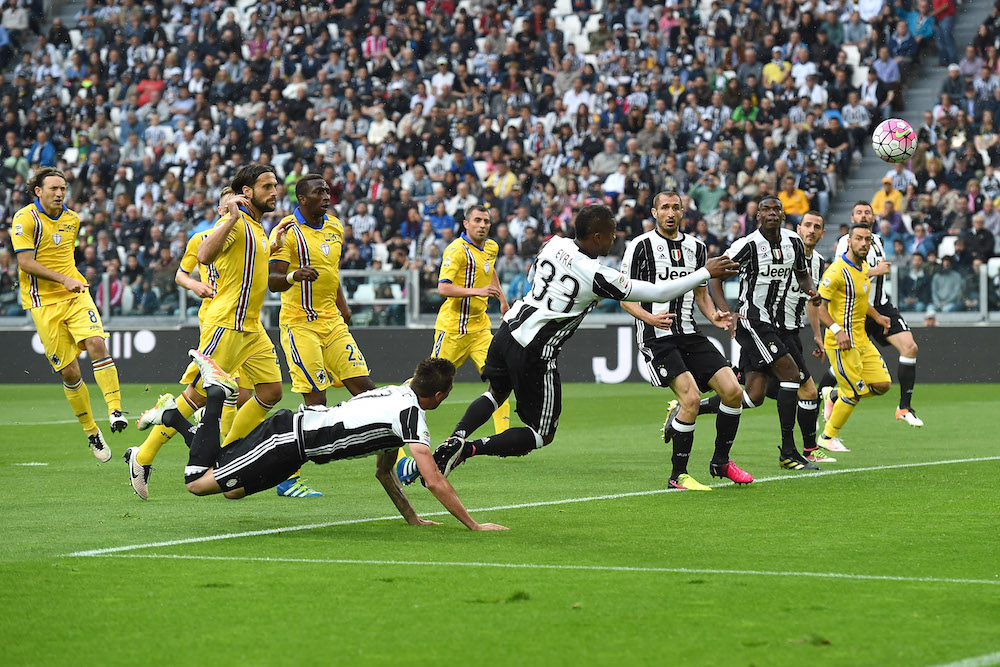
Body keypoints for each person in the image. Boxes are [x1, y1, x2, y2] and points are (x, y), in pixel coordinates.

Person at [420, 204, 738, 480]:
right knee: (542, 434)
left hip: (508, 330)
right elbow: (658, 293)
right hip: (535, 349)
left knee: (496, 393)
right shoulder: (598, 275)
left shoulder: (553, 243)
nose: (614, 239)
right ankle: (468, 448)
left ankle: (457, 436)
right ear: (598, 237)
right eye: (611, 234)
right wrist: (704, 273)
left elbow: (533, 277)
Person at [141, 351, 505, 531]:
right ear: (440, 395)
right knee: (196, 483)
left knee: (232, 488)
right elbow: (434, 479)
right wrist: (474, 525)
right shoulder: (409, 417)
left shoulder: (396, 396)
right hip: (286, 439)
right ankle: (219, 392)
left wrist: (413, 519)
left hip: (294, 451)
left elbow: (384, 472)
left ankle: (171, 415)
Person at [125, 187, 255, 499]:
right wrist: (197, 284)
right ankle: (148, 453)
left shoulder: (249, 234)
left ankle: (222, 456)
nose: (233, 205)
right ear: (221, 205)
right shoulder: (204, 237)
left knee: (248, 394)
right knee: (200, 395)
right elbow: (181, 275)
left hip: (245, 322)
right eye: (228, 200)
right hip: (217, 320)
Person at [619, 191, 753, 490]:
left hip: (690, 332)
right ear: (654, 212)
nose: (670, 212)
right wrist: (650, 318)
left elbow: (701, 294)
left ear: (683, 212)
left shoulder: (696, 247)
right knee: (691, 398)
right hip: (656, 335)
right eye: (664, 207)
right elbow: (624, 297)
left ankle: (721, 461)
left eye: (675, 207)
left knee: (732, 391)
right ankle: (677, 475)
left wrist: (714, 315)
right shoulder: (640, 246)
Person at [266, 174, 378, 497]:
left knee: (367, 391)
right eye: (319, 192)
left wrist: (342, 305)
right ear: (302, 198)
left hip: (332, 321)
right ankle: (288, 477)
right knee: (316, 402)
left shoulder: (335, 227)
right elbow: (273, 280)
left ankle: (394, 462)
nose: (326, 196)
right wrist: (293, 274)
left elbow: (332, 271)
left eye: (328, 191)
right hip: (299, 323)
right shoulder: (287, 231)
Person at [701, 196, 823, 471]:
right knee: (792, 376)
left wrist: (811, 290)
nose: (771, 213)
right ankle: (789, 452)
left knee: (755, 394)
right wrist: (726, 312)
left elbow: (802, 274)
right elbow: (715, 275)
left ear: (783, 214)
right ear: (757, 216)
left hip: (779, 327)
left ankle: (693, 407)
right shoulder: (748, 246)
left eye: (775, 209)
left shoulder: (794, 242)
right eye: (765, 210)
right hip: (753, 321)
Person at [12, 168, 126, 461]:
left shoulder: (72, 219)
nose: (60, 193)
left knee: (97, 343)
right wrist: (62, 279)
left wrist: (69, 280)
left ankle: (115, 410)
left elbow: (64, 258)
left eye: (63, 188)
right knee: (70, 372)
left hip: (76, 294)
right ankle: (92, 432)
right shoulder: (25, 219)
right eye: (53, 188)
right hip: (43, 303)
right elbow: (25, 263)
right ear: (38, 190)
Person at [395, 205, 512, 485]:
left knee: (503, 376)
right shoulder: (456, 250)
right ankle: (393, 408)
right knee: (424, 385)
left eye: (486, 220)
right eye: (477, 220)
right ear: (466, 223)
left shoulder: (491, 247)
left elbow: (489, 270)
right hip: (453, 331)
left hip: (480, 328)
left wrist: (502, 298)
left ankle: (503, 441)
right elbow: (443, 288)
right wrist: (478, 291)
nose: (483, 225)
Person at [822, 201, 924, 428]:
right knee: (848, 362)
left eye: (867, 212)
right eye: (858, 212)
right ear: (852, 218)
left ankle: (904, 407)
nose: (863, 215)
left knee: (910, 347)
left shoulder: (877, 241)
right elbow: (844, 271)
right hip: (856, 310)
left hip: (881, 305)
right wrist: (876, 270)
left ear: (874, 217)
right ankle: (825, 397)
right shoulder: (845, 243)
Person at [815, 224, 893, 449]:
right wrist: (837, 331)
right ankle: (827, 438)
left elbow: (860, 299)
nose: (863, 243)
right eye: (858, 238)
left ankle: (832, 395)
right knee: (853, 394)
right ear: (849, 241)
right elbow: (820, 306)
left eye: (867, 239)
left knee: (882, 385)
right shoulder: (836, 271)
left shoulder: (863, 268)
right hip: (842, 343)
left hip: (861, 339)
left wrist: (878, 316)